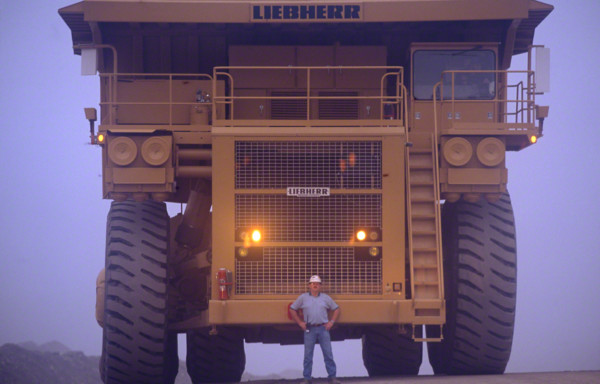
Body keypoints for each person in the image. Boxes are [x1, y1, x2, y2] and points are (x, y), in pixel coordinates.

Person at [290, 275, 341, 384]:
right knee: (308, 355)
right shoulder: (303, 298)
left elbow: (336, 309)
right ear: (309, 285)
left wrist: (331, 322)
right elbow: (292, 309)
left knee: (328, 354)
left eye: (317, 283)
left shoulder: (326, 298)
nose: (315, 285)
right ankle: (307, 378)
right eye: (313, 283)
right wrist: (300, 323)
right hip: (309, 329)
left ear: (320, 286)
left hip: (323, 329)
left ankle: (332, 377)